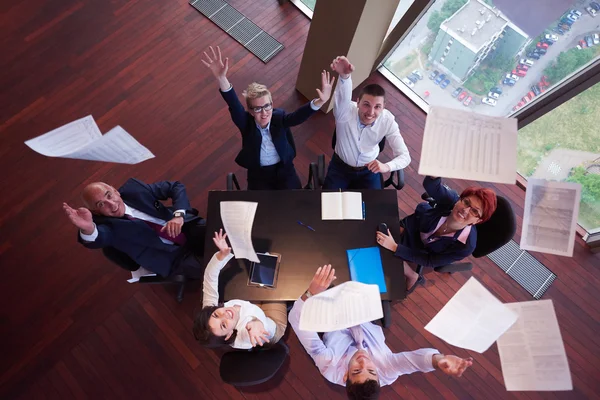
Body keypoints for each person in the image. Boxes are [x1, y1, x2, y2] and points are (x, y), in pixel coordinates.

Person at [289, 265, 473, 399]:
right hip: (364, 314)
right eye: (370, 369)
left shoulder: (328, 366)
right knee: (368, 264)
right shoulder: (386, 371)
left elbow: (300, 326)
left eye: (356, 370)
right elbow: (415, 362)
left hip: (333, 316)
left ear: (345, 376)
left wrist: (310, 294)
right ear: (378, 376)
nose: (364, 361)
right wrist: (439, 361)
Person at [202, 45, 335, 190]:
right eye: (258, 109)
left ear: (272, 105)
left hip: (284, 170)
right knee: (260, 208)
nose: (264, 112)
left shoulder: (279, 117)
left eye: (267, 106)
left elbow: (297, 117)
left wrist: (320, 101)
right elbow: (234, 105)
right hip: (259, 175)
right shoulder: (246, 122)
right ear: (251, 111)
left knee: (294, 201)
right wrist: (222, 78)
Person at [63, 178, 206, 278]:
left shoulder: (135, 190)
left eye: (109, 195)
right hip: (172, 259)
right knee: (214, 269)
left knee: (222, 230)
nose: (112, 204)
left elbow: (174, 187)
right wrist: (88, 229)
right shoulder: (107, 227)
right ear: (96, 212)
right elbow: (99, 237)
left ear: (115, 190)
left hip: (186, 229)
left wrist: (179, 215)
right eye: (101, 204)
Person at [376, 176, 497, 293]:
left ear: (478, 221)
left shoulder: (466, 246)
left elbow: (429, 260)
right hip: (415, 227)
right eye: (466, 202)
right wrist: (434, 174)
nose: (465, 210)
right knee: (376, 240)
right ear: (460, 199)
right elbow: (432, 185)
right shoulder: (451, 201)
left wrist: (394, 247)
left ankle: (413, 275)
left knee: (386, 253)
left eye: (474, 211)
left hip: (425, 250)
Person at [324, 56, 411, 190]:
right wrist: (345, 77)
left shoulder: (388, 121)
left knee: (373, 207)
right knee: (329, 204)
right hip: (340, 168)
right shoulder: (345, 111)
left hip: (368, 171)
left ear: (383, 107)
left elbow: (405, 157)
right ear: (357, 102)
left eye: (377, 107)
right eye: (366, 104)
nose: (371, 112)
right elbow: (343, 98)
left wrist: (386, 167)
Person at [193, 230, 287, 349]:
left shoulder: (212, 310)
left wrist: (222, 255)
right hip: (272, 322)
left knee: (267, 264)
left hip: (253, 305)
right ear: (228, 335)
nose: (225, 315)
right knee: (281, 278)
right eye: (223, 325)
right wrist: (255, 324)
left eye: (216, 315)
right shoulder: (245, 336)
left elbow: (209, 277)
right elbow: (257, 327)